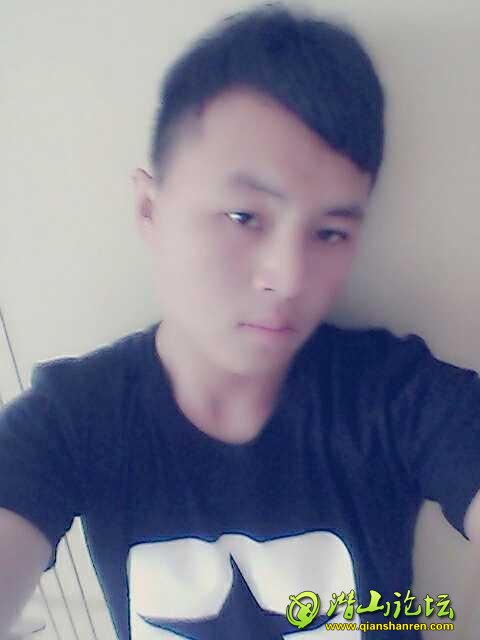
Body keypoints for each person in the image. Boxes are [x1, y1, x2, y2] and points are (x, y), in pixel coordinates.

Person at [1, 3, 480, 639]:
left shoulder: (393, 397)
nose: (288, 277)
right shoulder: (74, 419)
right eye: (243, 217)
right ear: (150, 209)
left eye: (330, 232)